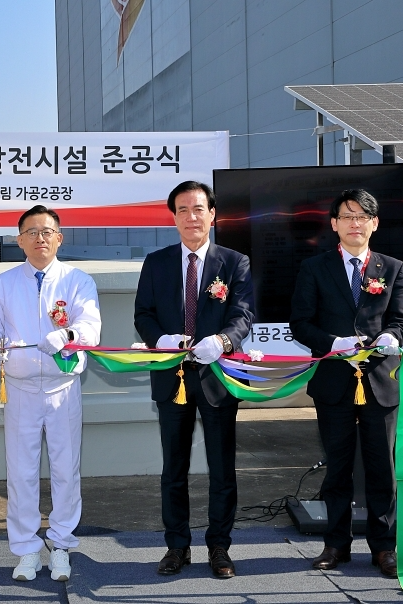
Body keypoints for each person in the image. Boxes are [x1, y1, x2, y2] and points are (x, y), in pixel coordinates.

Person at [134, 181, 254, 579]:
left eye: (198, 208)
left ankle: (219, 548)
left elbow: (242, 316)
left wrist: (222, 340)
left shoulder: (234, 263)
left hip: (218, 378)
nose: (191, 216)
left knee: (222, 469)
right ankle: (176, 547)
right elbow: (144, 315)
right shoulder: (156, 262)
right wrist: (162, 340)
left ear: (212, 214)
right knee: (174, 468)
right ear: (173, 217)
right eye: (183, 210)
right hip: (172, 377)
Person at [0, 205, 102, 582]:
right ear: (19, 241)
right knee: (21, 472)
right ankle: (27, 549)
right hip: (19, 390)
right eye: (31, 232)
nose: (40, 238)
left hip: (64, 389)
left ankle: (61, 544)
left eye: (47, 231)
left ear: (59, 238)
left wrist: (65, 336)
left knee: (66, 470)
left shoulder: (77, 280)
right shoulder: (3, 283)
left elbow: (90, 330)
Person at [290, 189, 403, 577]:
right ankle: (336, 544)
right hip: (334, 382)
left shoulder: (393, 268)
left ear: (374, 224)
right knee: (338, 468)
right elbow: (300, 323)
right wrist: (333, 343)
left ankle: (384, 547)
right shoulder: (314, 268)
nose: (355, 223)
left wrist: (394, 336)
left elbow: (402, 320)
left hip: (380, 382)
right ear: (334, 224)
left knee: (382, 468)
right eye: (347, 216)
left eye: (363, 216)